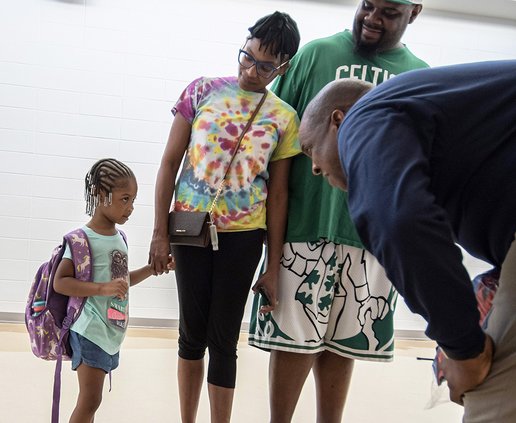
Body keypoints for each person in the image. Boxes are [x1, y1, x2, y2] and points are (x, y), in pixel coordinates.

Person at [298, 60, 516, 422]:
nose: (315, 169)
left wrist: (465, 351)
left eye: (310, 150)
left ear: (338, 120)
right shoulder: (420, 104)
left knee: (494, 405)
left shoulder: (364, 116)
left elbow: (399, 222)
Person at [248, 1, 427, 421]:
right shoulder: (316, 54)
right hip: (305, 229)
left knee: (343, 344)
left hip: (371, 240)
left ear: (414, 12)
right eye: (367, 5)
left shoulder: (418, 75)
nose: (371, 18)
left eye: (388, 12)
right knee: (293, 342)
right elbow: (277, 146)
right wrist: (271, 253)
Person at [148, 12, 301, 423]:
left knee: (224, 338)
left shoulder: (284, 117)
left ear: (283, 66)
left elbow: (280, 193)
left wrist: (274, 263)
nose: (251, 70)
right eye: (246, 57)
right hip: (189, 227)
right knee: (190, 333)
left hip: (244, 237)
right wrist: (159, 233)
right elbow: (169, 163)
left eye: (265, 66)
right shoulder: (202, 91)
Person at [54, 158, 157, 423]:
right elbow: (61, 282)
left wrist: (153, 269)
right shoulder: (80, 239)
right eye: (125, 199)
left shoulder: (120, 239)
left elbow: (121, 282)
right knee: (90, 399)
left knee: (92, 401)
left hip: (111, 329)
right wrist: (101, 288)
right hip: (89, 328)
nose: (131, 208)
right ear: (102, 195)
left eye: (133, 200)